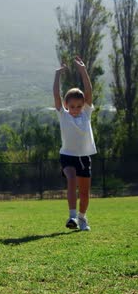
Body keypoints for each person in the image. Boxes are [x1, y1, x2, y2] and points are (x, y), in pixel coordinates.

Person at [53, 56, 96, 231]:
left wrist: (83, 71)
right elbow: (56, 94)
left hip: (84, 157)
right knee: (71, 179)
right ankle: (72, 217)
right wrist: (57, 76)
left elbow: (89, 90)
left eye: (79, 106)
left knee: (85, 193)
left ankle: (82, 217)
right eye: (72, 106)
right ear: (66, 105)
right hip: (68, 156)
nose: (76, 109)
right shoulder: (63, 115)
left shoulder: (86, 113)